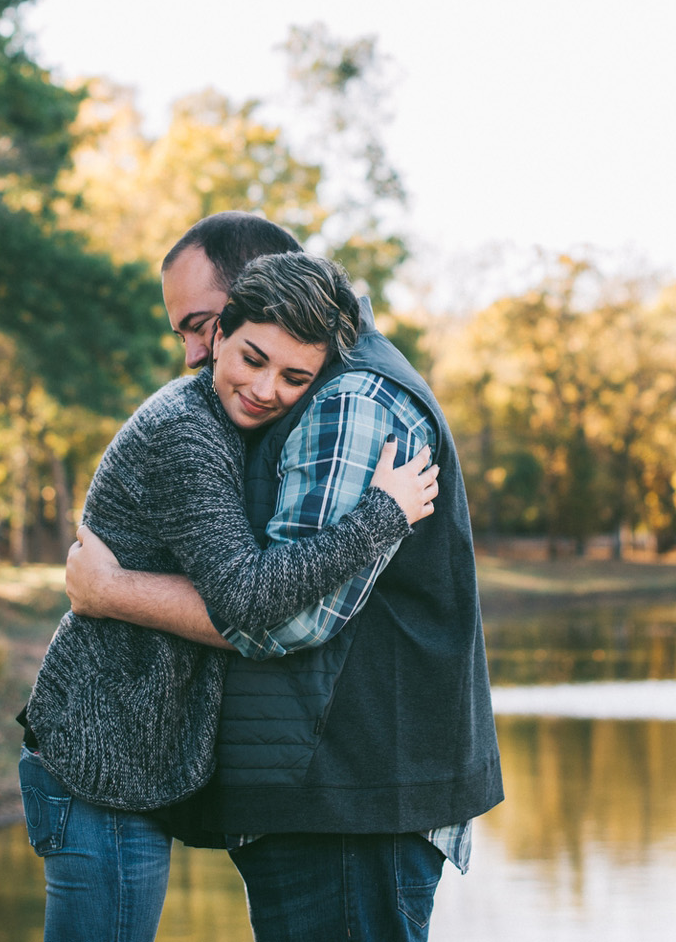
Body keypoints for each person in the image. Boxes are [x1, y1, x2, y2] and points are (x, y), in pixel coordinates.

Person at [67, 212, 504, 942]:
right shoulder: (313, 390)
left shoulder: (350, 401)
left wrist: (111, 593)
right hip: (327, 792)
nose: (193, 353)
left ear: (260, 294)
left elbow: (280, 616)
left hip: (349, 796)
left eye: (203, 324)